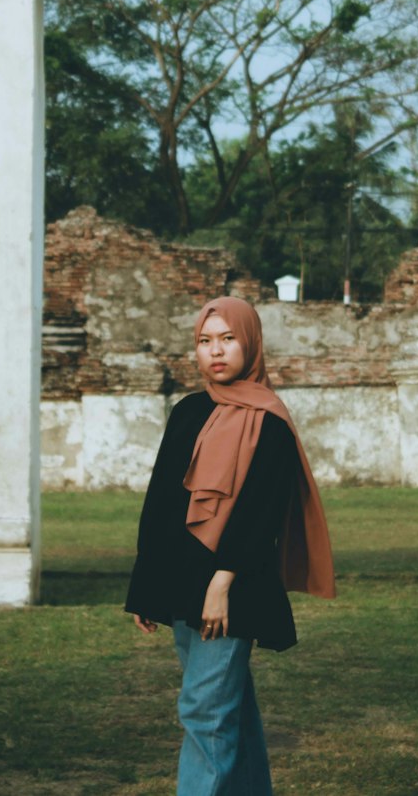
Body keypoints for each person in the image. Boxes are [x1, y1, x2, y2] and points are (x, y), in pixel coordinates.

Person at [125, 295, 336, 795]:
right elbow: (160, 505)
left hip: (232, 587)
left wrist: (222, 584)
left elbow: (260, 514)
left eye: (227, 339)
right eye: (205, 341)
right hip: (180, 580)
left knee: (204, 709)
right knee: (227, 707)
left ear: (250, 343)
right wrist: (145, 586)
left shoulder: (270, 420)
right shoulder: (188, 412)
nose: (215, 351)